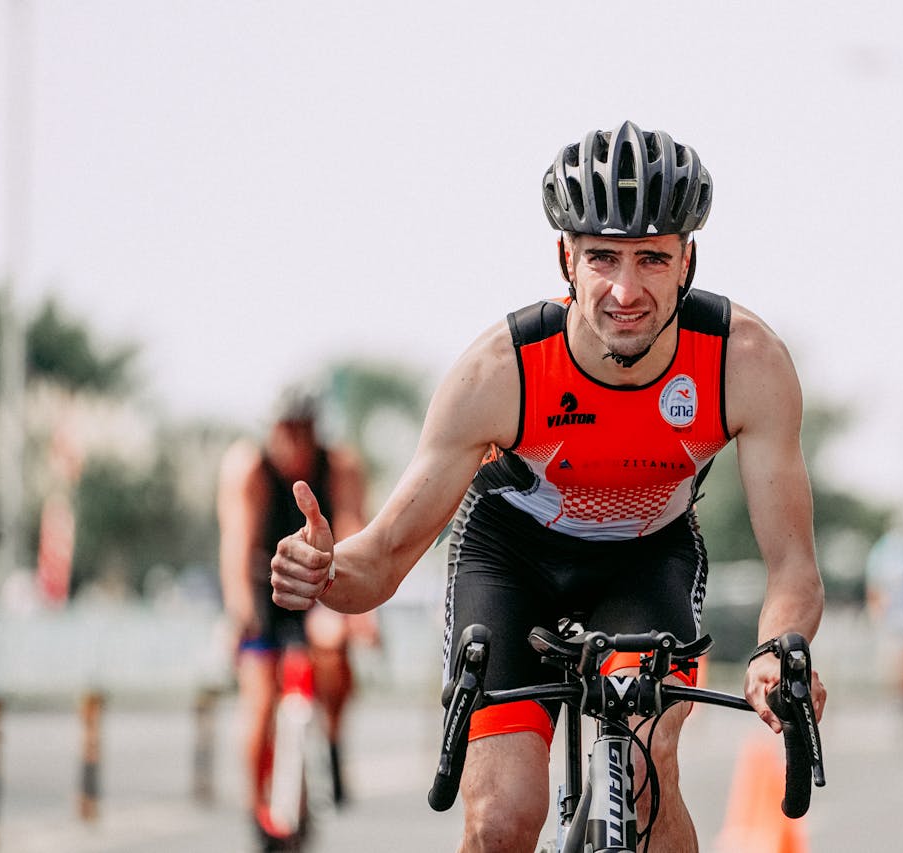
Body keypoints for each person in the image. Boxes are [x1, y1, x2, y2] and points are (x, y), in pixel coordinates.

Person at [269, 120, 827, 852]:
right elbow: (381, 559)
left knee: (646, 762)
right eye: (602, 257)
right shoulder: (500, 372)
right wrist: (325, 570)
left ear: (688, 259)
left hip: (646, 557)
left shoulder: (743, 362)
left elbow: (791, 563)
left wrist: (776, 651)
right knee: (502, 818)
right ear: (565, 257)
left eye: (652, 259)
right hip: (511, 558)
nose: (626, 290)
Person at [217, 385, 376, 847]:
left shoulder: (340, 465)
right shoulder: (248, 468)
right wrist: (240, 610)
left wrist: (359, 611)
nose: (295, 444)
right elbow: (236, 544)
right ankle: (255, 806)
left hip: (318, 580)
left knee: (335, 650)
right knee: (260, 700)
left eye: (303, 432)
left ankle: (331, 739)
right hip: (261, 586)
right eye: (286, 432)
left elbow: (351, 528)